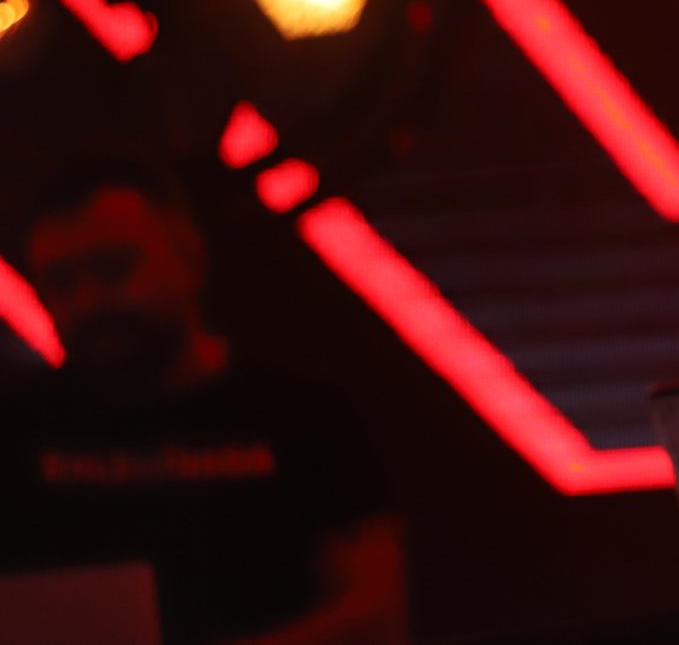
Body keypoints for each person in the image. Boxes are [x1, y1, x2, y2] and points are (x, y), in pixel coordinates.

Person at [0, 158, 406, 645]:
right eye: (61, 283)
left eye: (113, 269)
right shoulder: (13, 431)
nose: (88, 302)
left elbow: (376, 616)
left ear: (190, 259)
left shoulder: (308, 416)